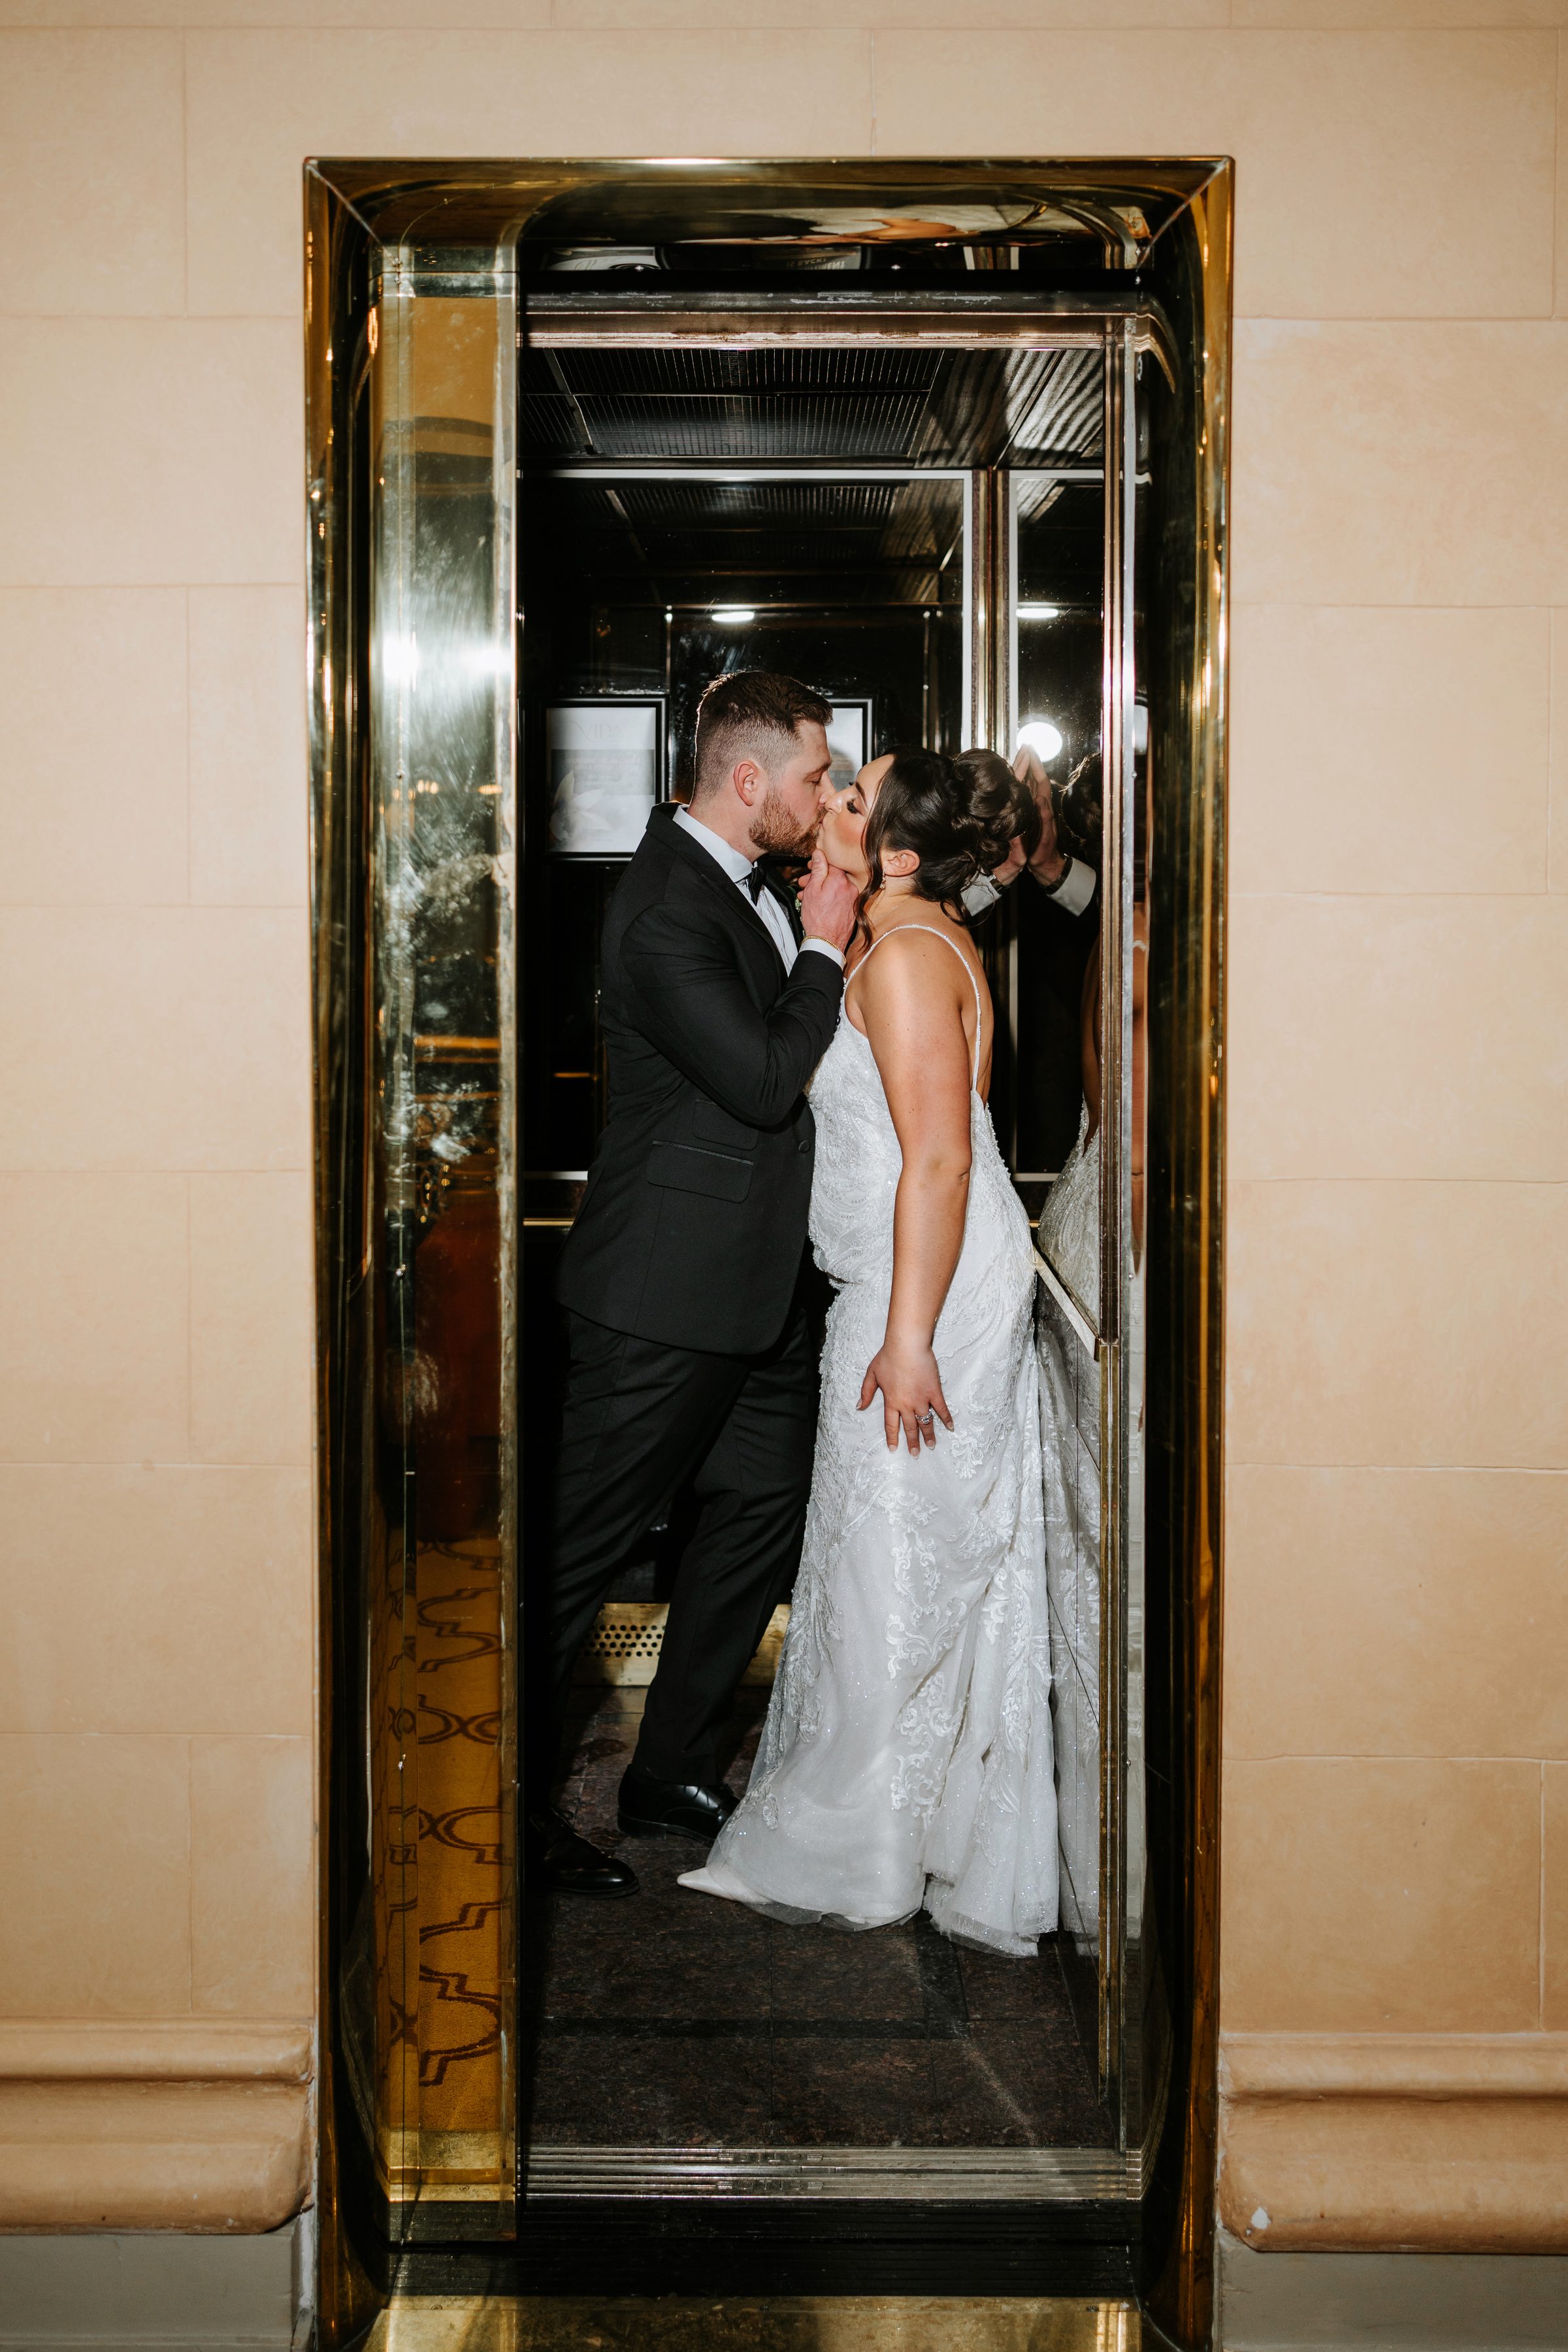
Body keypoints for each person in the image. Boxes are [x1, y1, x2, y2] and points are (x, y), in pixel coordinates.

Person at [679, 749, 1058, 1957]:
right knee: (885, 1551)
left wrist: (906, 1341)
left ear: (893, 850)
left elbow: (939, 1160)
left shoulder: (900, 959)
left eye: (851, 796)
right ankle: (906, 1818)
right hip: (906, 1280)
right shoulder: (901, 935)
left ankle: (867, 1845)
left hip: (928, 1294)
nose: (829, 803)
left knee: (896, 1555)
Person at [535, 670, 858, 1899]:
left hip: (762, 1294)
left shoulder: (746, 883)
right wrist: (824, 944)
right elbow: (767, 1078)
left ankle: (667, 1765)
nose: (823, 795)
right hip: (661, 1297)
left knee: (756, 1521)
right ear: (749, 781)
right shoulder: (664, 908)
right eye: (815, 776)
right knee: (580, 1555)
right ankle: (506, 1812)